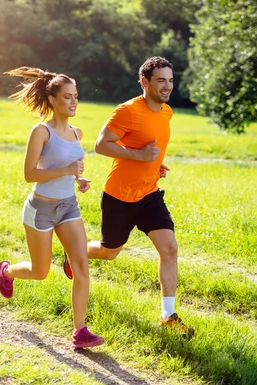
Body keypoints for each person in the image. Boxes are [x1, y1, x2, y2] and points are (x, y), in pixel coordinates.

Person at [63, 56, 194, 337]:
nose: (167, 86)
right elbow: (101, 145)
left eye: (170, 80)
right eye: (161, 80)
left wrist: (154, 165)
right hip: (119, 196)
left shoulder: (166, 112)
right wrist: (139, 156)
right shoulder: (127, 111)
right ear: (144, 82)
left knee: (169, 248)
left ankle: (168, 315)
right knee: (110, 252)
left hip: (149, 194)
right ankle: (74, 254)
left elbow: (148, 146)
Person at [0, 66, 105, 349]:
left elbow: (72, 167)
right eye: (67, 97)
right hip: (41, 209)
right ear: (53, 99)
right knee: (39, 271)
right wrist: (66, 170)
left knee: (81, 266)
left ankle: (80, 331)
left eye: (76, 96)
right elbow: (30, 174)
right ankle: (7, 272)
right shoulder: (41, 131)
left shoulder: (76, 133)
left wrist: (79, 179)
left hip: (68, 207)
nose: (74, 102)